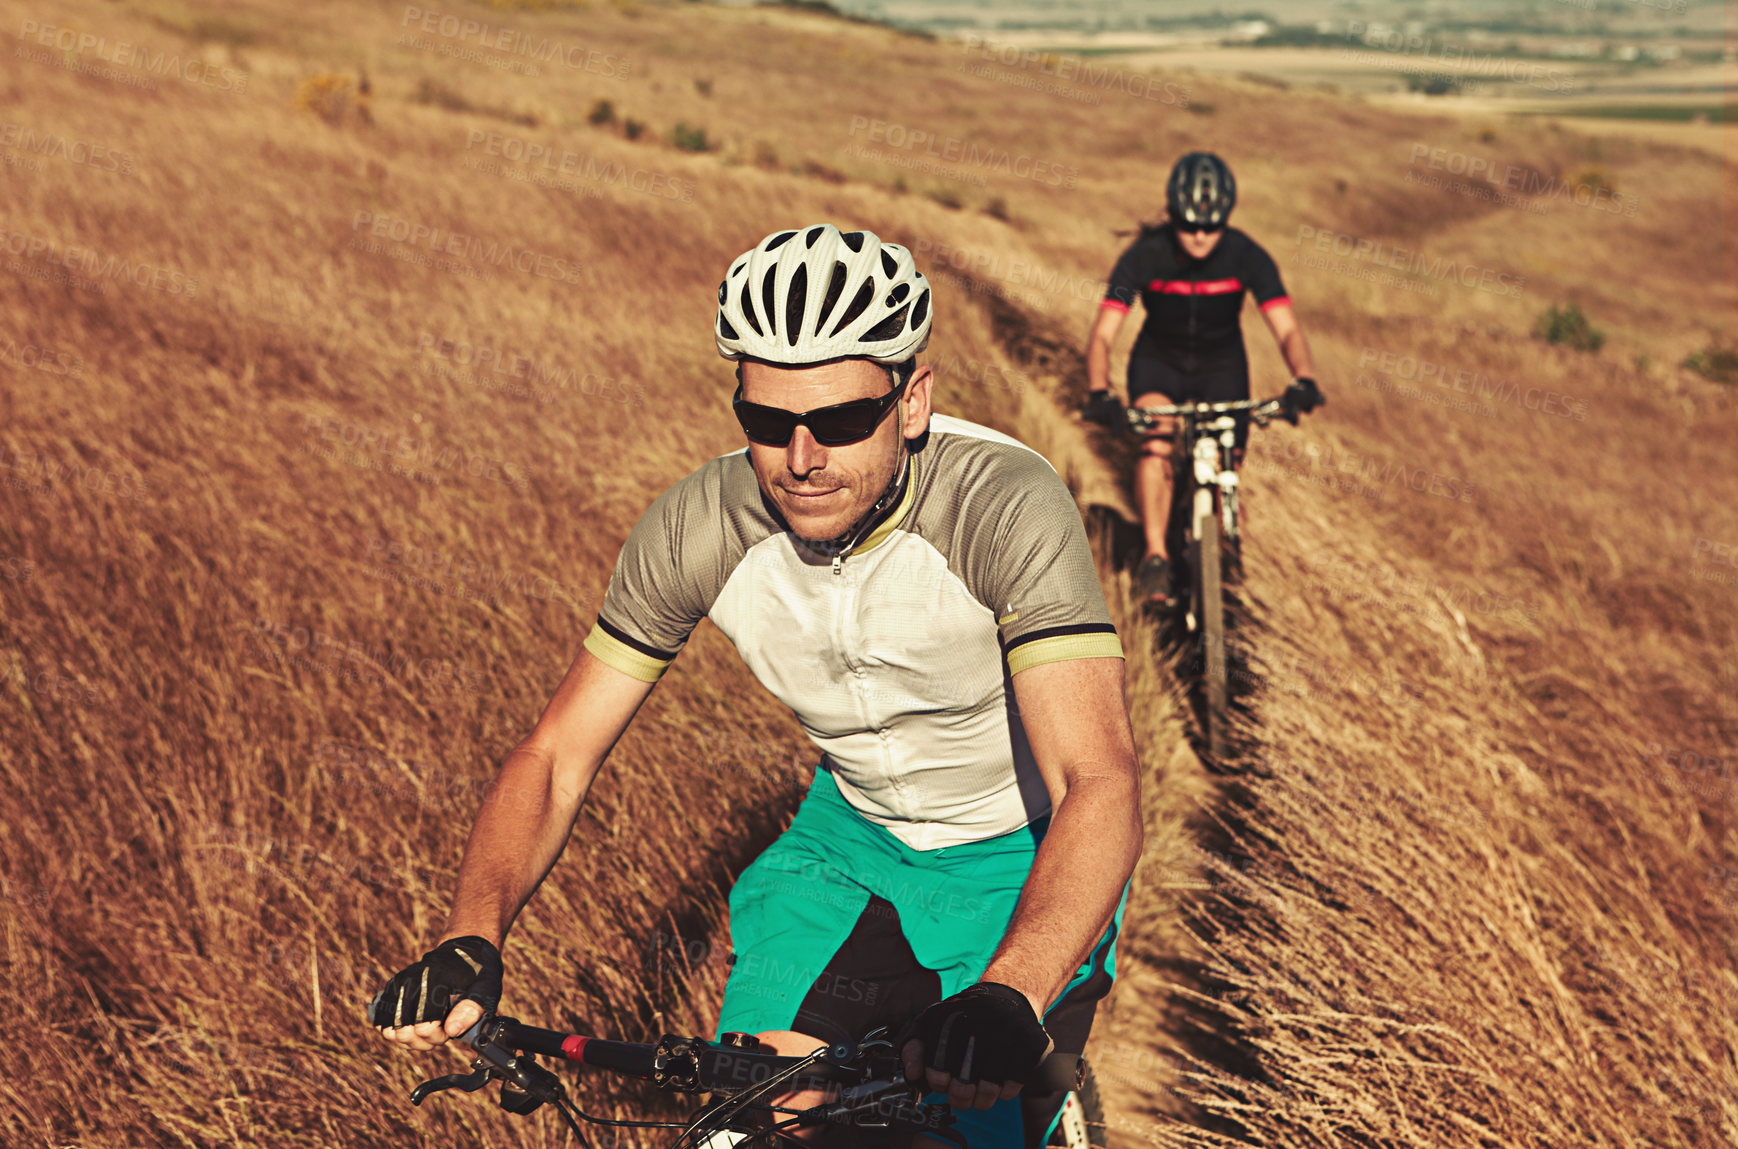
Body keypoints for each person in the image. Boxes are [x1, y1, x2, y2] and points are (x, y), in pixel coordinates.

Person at [368, 223, 1144, 1149]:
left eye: (844, 418)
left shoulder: (1003, 505)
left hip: (1020, 855)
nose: (803, 457)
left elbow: (1099, 783)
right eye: (768, 423)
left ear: (913, 399)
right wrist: (473, 934)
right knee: (750, 1118)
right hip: (847, 851)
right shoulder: (699, 526)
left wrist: (1012, 990)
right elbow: (557, 756)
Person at [1082, 152, 1323, 604]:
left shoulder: (1246, 255)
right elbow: (1102, 336)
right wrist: (1100, 391)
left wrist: (1303, 378)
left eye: (1210, 227)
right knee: (1157, 439)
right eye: (1190, 224)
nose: (1199, 236)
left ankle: (1221, 549)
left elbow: (1287, 328)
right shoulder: (1145, 256)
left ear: (1225, 220)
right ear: (1174, 215)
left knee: (1227, 463)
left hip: (1222, 368)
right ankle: (1155, 557)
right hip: (1159, 363)